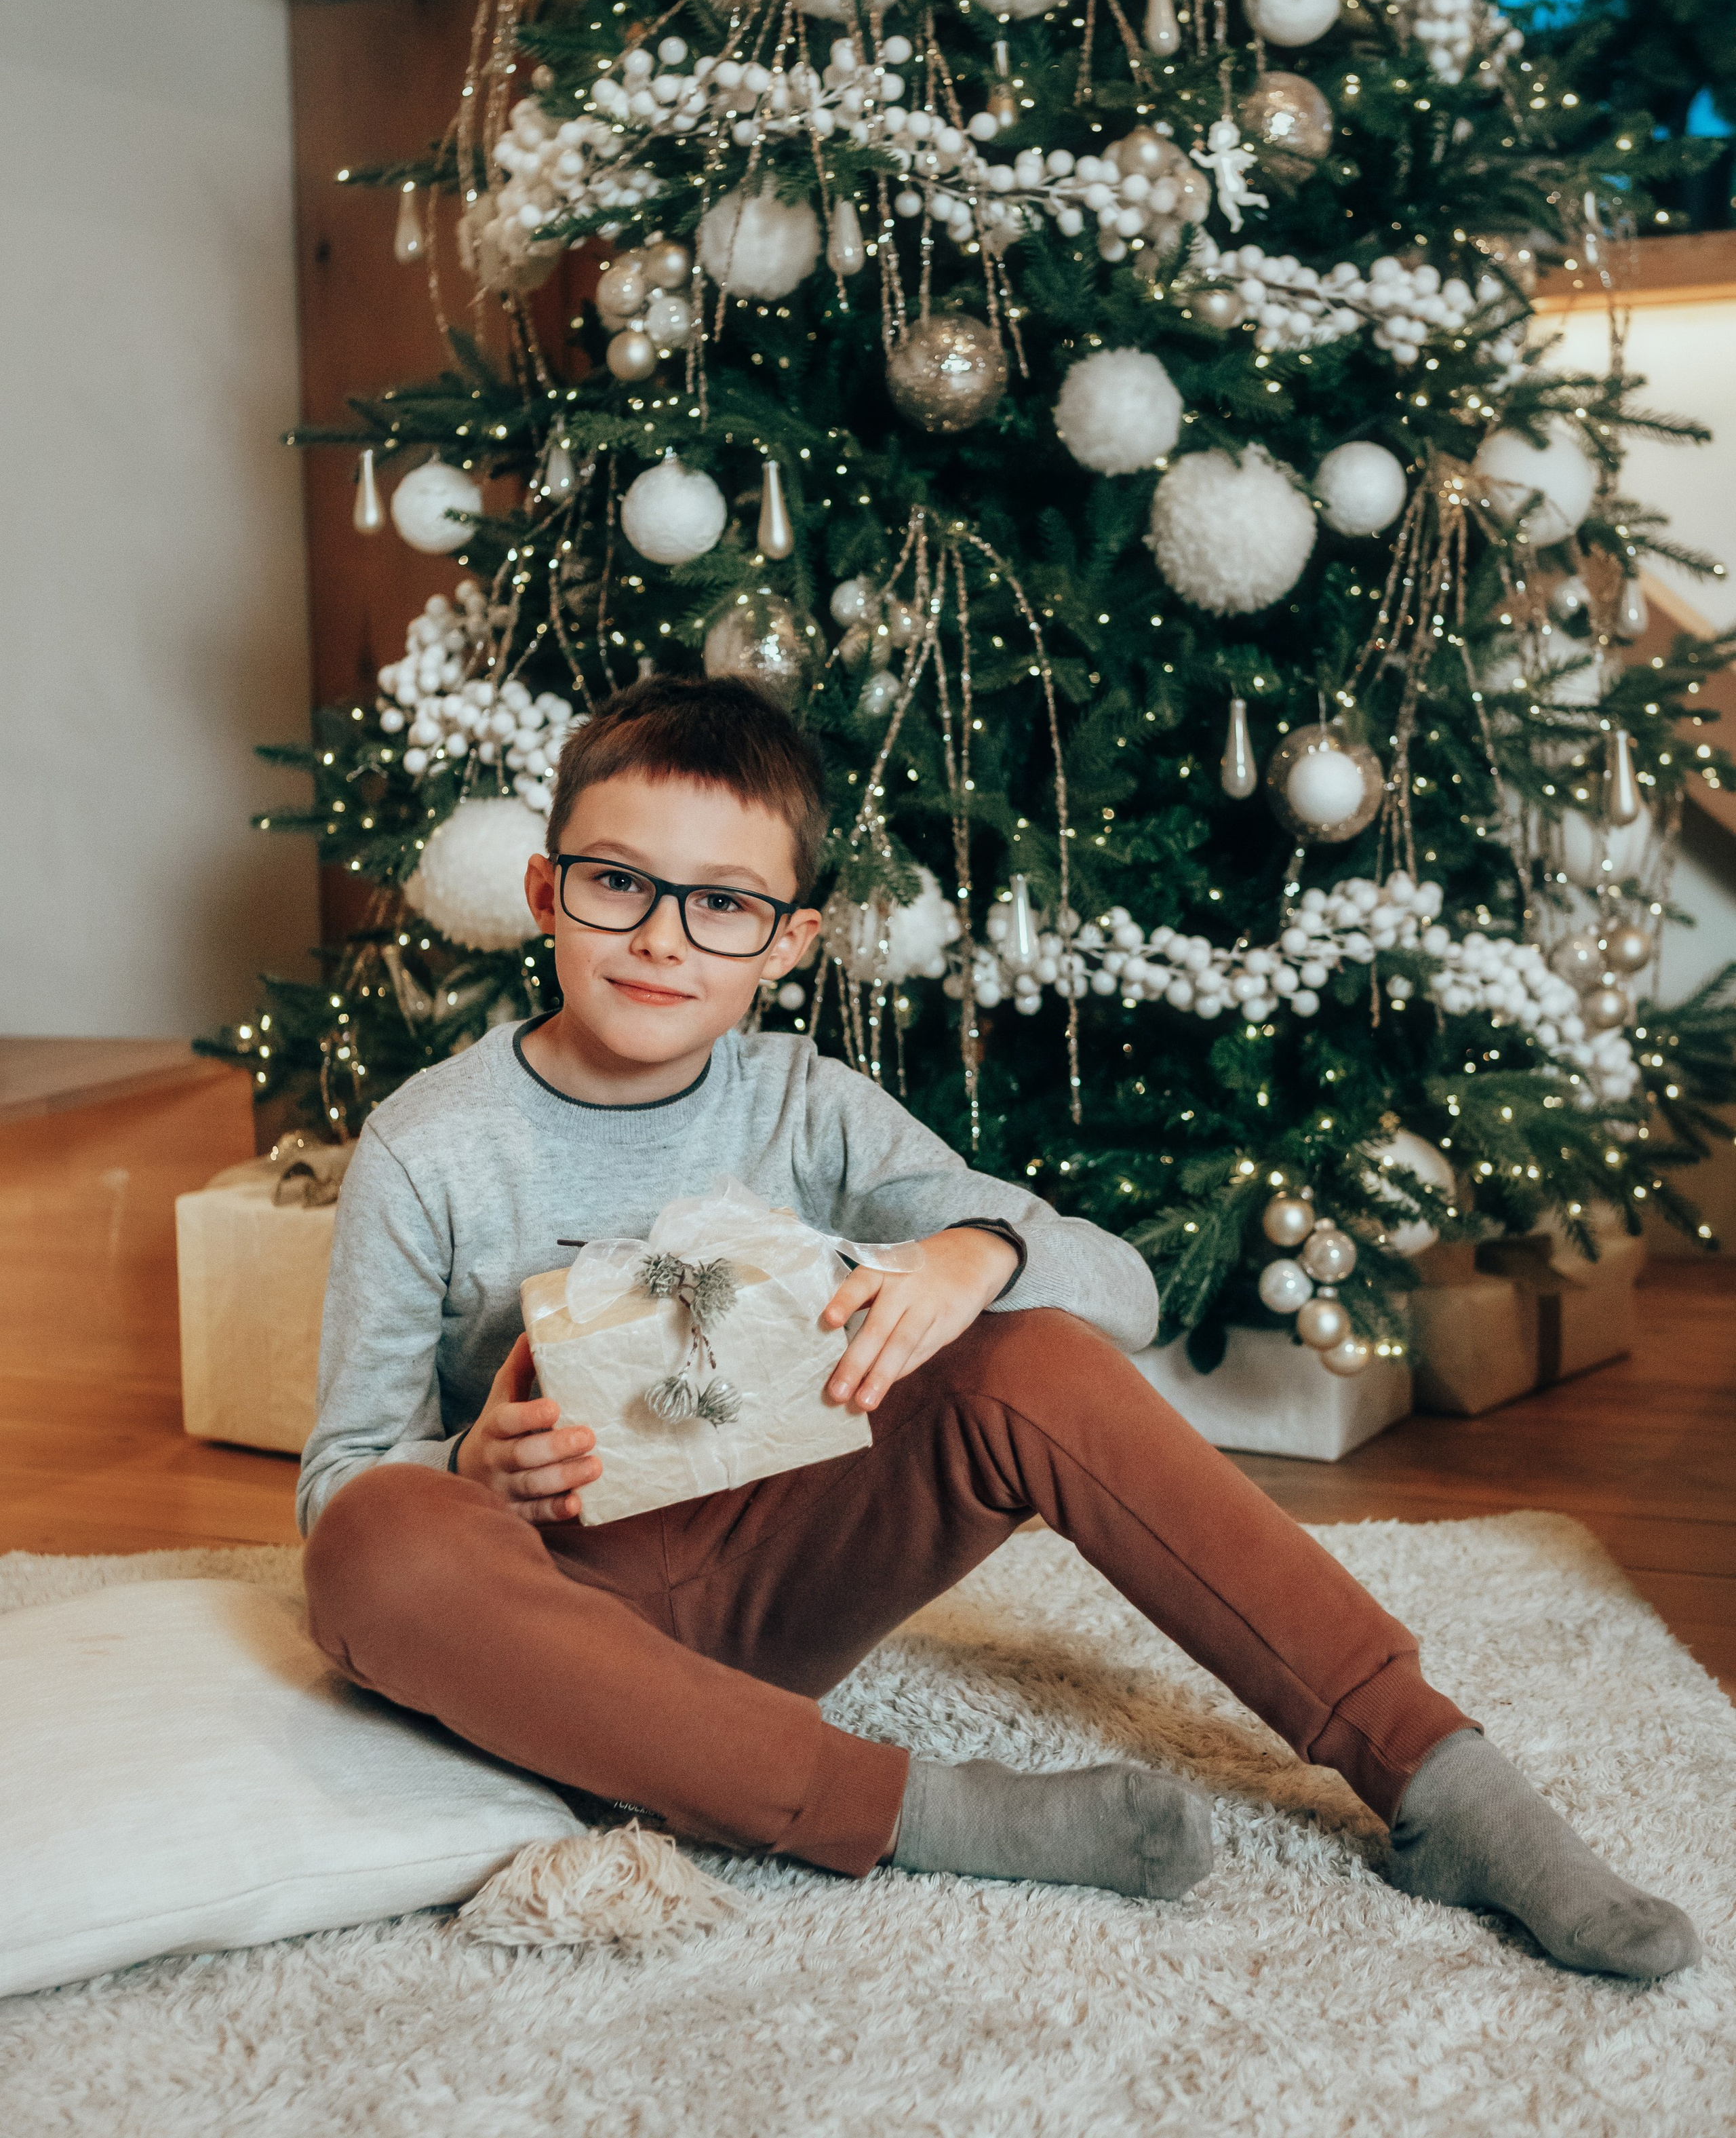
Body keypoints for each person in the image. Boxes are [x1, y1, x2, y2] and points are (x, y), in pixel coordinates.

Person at [302, 676, 1700, 1979]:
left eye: (723, 905)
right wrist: (461, 1474)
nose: (664, 936)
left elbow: (1125, 1292)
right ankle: (912, 1810)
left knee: (1028, 1351)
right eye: (618, 884)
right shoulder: (429, 1145)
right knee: (372, 1541)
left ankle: (1440, 1777)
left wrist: (973, 1254)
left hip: (769, 1589)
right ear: (546, 892)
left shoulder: (810, 1105)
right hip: (553, 1630)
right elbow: (335, 1483)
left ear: (789, 941)